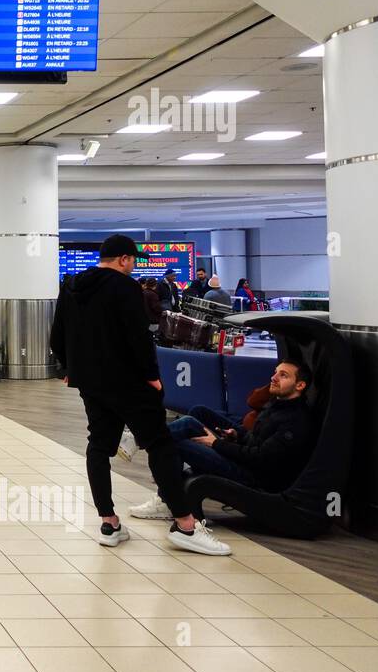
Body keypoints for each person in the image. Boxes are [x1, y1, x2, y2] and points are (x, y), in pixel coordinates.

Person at [50, 233, 231, 556]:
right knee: (159, 444)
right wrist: (152, 377)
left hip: (91, 384)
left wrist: (69, 369)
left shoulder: (71, 286)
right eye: (132, 261)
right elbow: (138, 337)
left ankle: (109, 522)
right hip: (129, 382)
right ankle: (186, 525)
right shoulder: (126, 288)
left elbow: (57, 336)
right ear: (123, 259)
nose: (133, 267)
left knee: (98, 446)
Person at [130, 361, 317, 517]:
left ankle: (165, 499)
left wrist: (217, 444)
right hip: (246, 460)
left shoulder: (295, 421)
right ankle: (140, 442)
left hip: (252, 477)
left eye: (283, 375)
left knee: (179, 439)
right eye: (275, 372)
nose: (273, 377)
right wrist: (237, 436)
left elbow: (261, 458)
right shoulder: (278, 405)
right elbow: (257, 438)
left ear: (300, 385)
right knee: (197, 414)